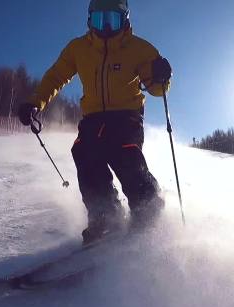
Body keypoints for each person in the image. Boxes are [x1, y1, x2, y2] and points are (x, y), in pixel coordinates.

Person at [18, 0, 172, 244]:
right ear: (90, 20)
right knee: (84, 151)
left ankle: (147, 210)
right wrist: (35, 102)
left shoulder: (139, 48)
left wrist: (161, 75)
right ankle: (105, 216)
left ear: (125, 20)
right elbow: (56, 76)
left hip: (126, 116)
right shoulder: (79, 48)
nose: (107, 28)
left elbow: (156, 89)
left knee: (125, 152)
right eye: (101, 20)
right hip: (93, 118)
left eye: (113, 20)